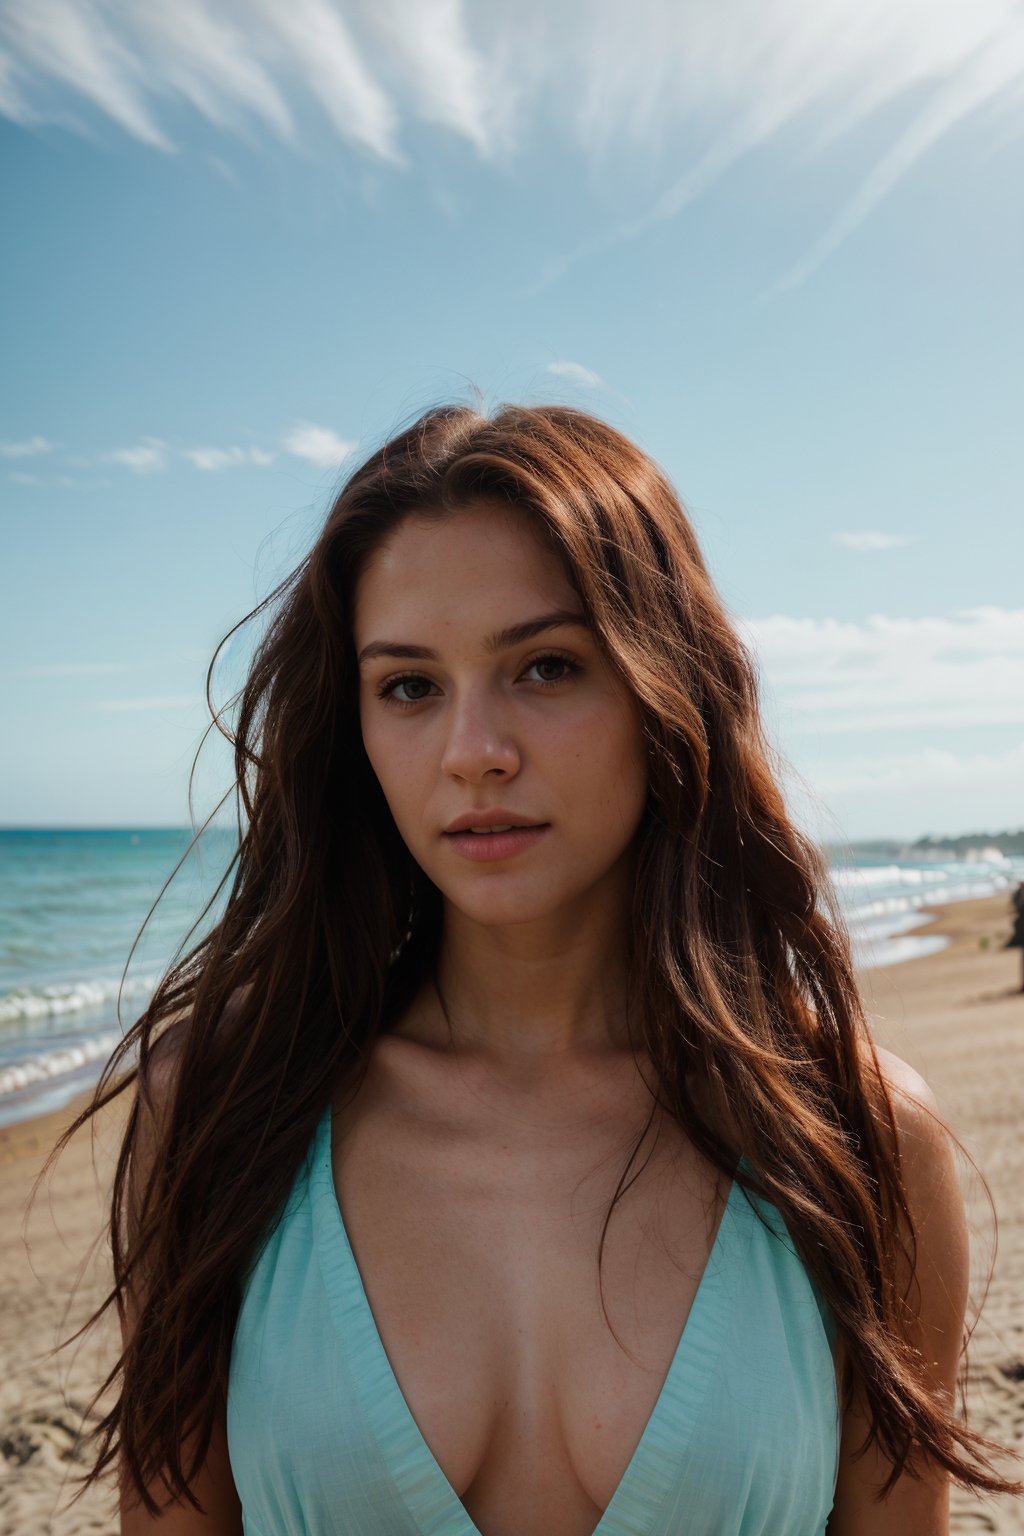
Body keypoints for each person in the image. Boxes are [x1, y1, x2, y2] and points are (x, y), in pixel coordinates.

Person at [57, 403, 1019, 1534]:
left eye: (546, 666)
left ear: (667, 688)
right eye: (409, 686)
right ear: (353, 728)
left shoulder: (856, 1140)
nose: (474, 751)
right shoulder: (222, 1111)